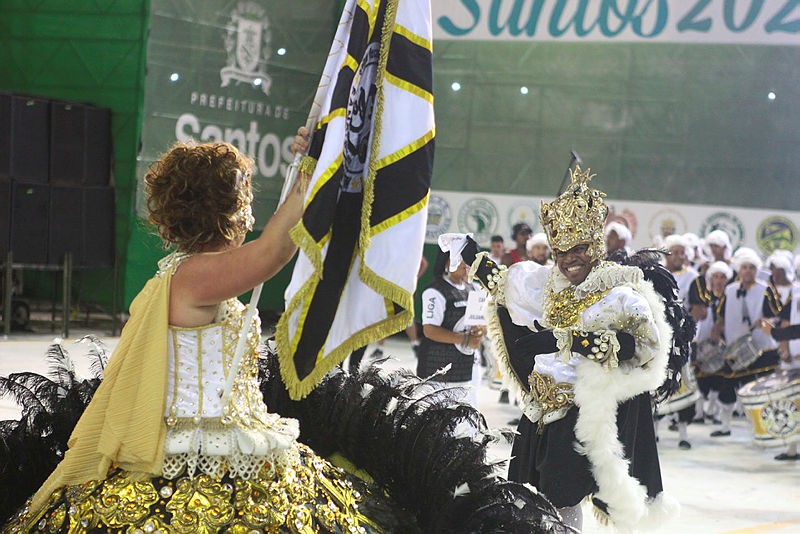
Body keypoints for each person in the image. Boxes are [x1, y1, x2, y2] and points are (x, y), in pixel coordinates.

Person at [2, 136, 571, 533]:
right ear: (227, 205)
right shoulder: (196, 275)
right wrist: (314, 169)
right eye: (244, 193)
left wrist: (311, 168)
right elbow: (274, 250)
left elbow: (271, 242)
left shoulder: (197, 272)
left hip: (234, 439)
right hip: (198, 455)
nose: (251, 204)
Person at [459, 167, 679, 532]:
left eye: (577, 249)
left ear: (594, 246)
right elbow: (506, 287)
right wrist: (472, 256)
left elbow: (642, 347)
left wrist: (570, 340)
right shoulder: (548, 283)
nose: (567, 259)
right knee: (530, 495)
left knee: (563, 498)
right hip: (538, 412)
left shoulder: (618, 292)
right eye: (561, 251)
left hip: (581, 414)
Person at [709, 247, 779, 438]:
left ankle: (764, 428)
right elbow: (721, 317)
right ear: (739, 270)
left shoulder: (766, 290)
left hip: (762, 349)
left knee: (761, 389)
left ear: (756, 270)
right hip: (736, 348)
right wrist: (716, 332)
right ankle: (725, 426)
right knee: (728, 386)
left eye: (751, 268)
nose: (748, 271)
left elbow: (775, 316)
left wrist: (765, 323)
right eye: (744, 267)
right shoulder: (729, 291)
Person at [416, 236, 486, 410]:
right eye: (462, 260)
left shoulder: (475, 289)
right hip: (438, 371)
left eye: (469, 260)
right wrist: (464, 339)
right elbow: (430, 330)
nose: (466, 265)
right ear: (448, 261)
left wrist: (480, 331)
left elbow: (481, 323)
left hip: (466, 368)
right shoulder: (435, 291)